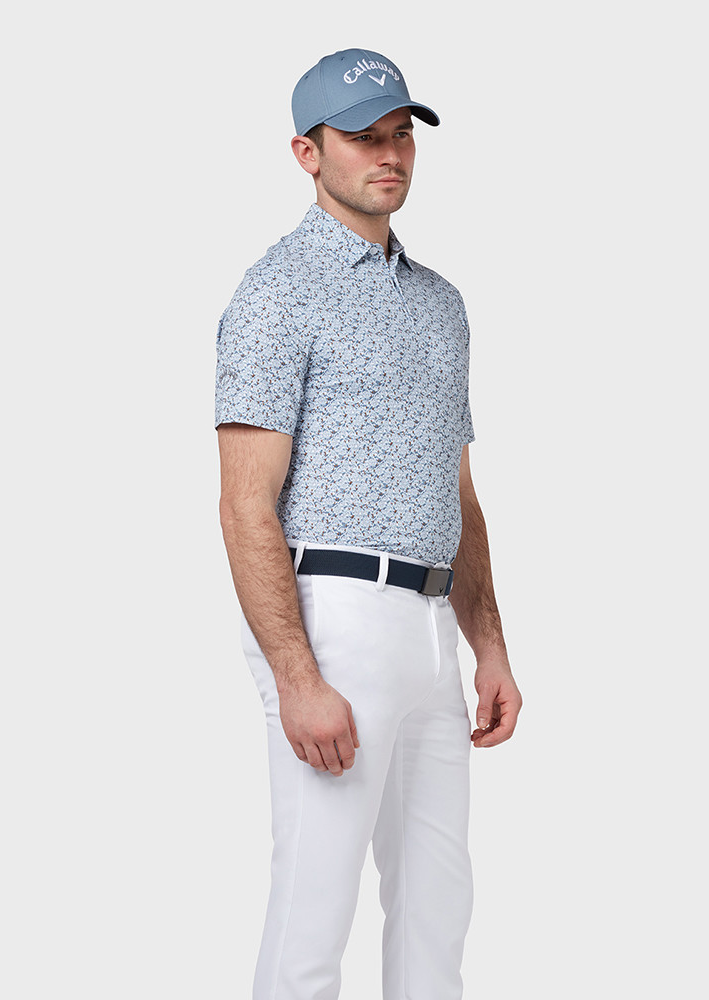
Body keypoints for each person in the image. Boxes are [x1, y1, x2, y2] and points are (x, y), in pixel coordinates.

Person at [214, 47, 522, 1000]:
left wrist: (490, 648)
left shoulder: (441, 305)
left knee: (438, 906)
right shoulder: (275, 293)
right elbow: (244, 502)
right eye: (361, 138)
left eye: (400, 135)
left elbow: (457, 493)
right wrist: (297, 676)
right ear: (307, 153)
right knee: (315, 906)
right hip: (333, 616)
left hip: (431, 629)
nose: (388, 155)